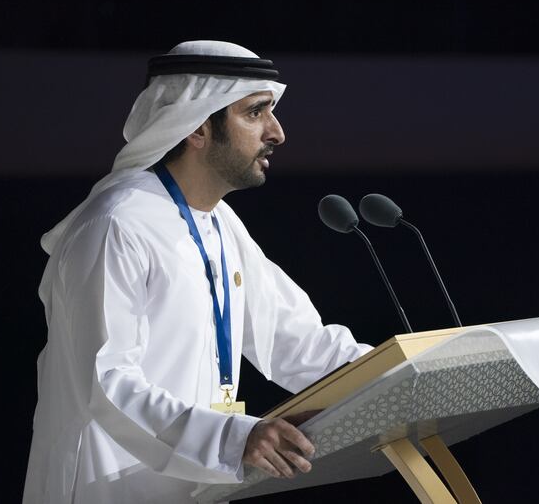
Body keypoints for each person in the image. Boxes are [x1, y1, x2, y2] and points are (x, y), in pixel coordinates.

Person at [23, 40, 373, 504]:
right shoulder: (117, 225)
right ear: (197, 128)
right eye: (255, 113)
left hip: (195, 488)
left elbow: (299, 342)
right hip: (108, 490)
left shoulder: (220, 224)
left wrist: (405, 370)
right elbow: (107, 382)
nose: (277, 132)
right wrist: (234, 438)